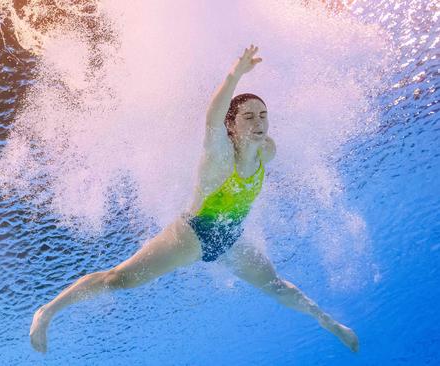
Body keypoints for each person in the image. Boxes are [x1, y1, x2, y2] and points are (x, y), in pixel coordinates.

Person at [29, 44, 359, 354]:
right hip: (190, 236)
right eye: (249, 116)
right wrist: (234, 75)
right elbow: (212, 118)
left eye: (263, 115)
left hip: (230, 241)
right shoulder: (219, 155)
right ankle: (48, 311)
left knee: (275, 285)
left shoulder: (266, 152)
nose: (259, 122)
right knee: (120, 280)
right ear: (231, 126)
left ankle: (328, 322)